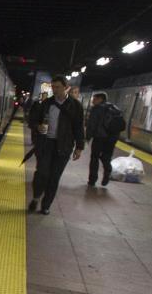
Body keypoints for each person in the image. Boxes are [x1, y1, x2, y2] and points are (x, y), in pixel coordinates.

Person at [25, 76, 84, 214]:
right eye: (53, 87)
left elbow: (78, 127)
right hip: (46, 144)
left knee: (54, 176)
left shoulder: (75, 106)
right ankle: (36, 197)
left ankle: (46, 206)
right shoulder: (45, 103)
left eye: (57, 87)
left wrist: (79, 147)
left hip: (64, 146)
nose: (54, 89)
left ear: (65, 87)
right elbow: (32, 120)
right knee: (42, 173)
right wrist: (37, 126)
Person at [85, 92, 120, 186]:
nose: (92, 101)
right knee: (106, 158)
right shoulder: (114, 108)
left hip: (99, 138)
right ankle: (107, 173)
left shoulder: (96, 109)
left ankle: (92, 180)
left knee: (94, 158)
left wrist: (88, 137)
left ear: (100, 99)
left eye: (94, 99)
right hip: (111, 139)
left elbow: (91, 125)